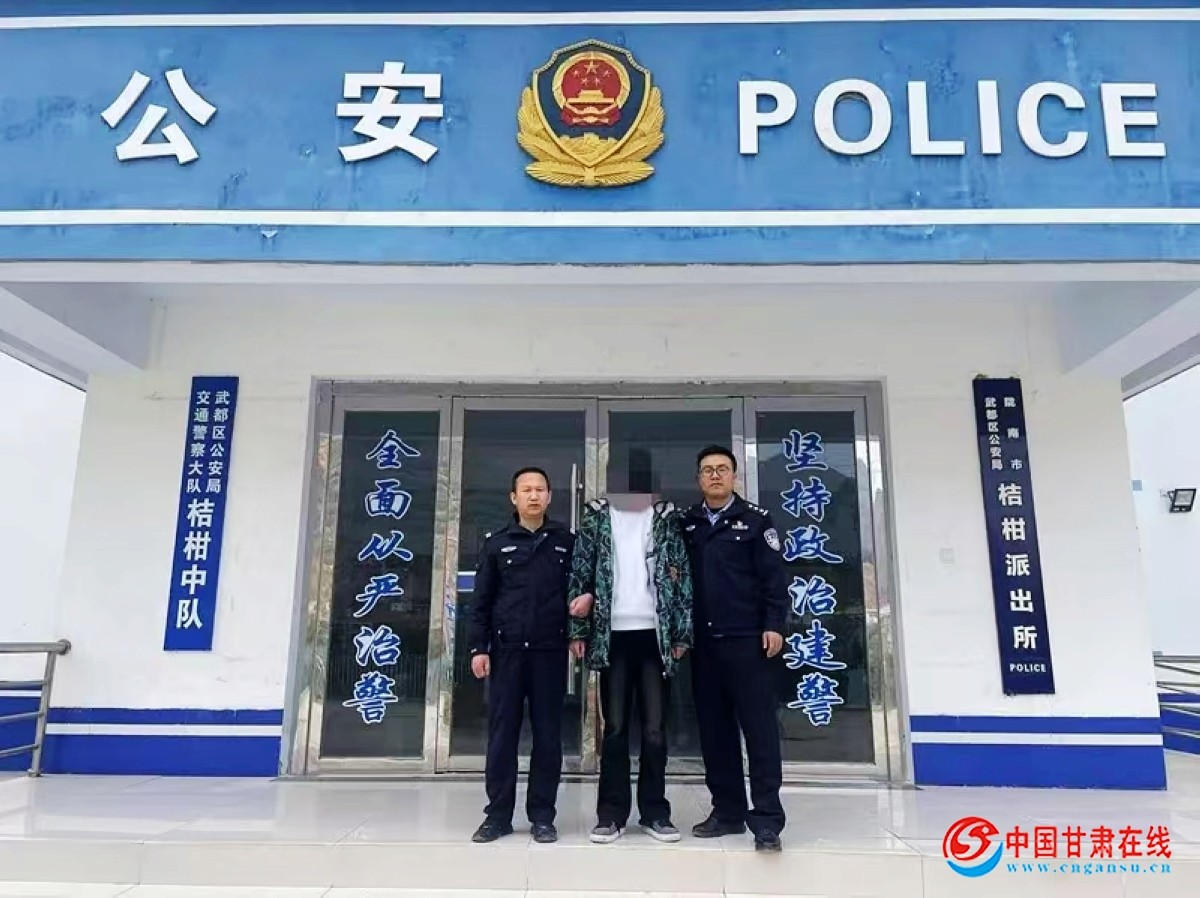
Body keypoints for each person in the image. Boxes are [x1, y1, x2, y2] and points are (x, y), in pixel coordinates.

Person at [566, 491, 693, 845]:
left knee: (655, 729)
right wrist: (577, 628)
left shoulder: (665, 517)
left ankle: (655, 812)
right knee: (615, 728)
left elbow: (682, 575)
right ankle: (611, 814)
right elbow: (580, 571)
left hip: (655, 635)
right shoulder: (597, 517)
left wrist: (682, 633)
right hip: (613, 635)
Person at [681, 445, 789, 852]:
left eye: (722, 469)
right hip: (704, 644)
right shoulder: (687, 524)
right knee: (715, 733)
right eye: (707, 470)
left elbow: (774, 580)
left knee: (759, 732)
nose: (715, 475)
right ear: (698, 479)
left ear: (734, 476)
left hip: (748, 641)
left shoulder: (757, 521)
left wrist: (774, 624)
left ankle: (767, 819)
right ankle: (727, 812)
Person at [466, 466, 575, 845]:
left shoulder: (565, 541)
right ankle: (497, 816)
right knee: (502, 737)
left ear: (549, 496)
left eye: (540, 489)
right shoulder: (497, 544)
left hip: (549, 652)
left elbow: (577, 593)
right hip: (506, 653)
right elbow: (481, 601)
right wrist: (478, 648)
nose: (533, 495)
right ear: (514, 497)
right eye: (526, 490)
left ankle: (542, 815)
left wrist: (578, 635)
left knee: (548, 737)